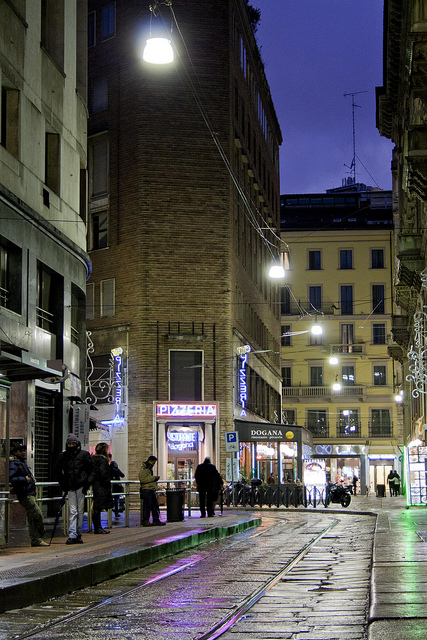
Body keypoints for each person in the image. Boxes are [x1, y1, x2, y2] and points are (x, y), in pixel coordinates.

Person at [54, 433, 94, 544]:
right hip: (73, 486)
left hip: (78, 486)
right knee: (75, 511)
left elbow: (92, 470)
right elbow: (57, 471)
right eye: (69, 443)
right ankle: (74, 534)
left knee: (77, 511)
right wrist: (63, 483)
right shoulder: (78, 455)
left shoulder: (69, 456)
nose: (71, 445)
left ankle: (76, 534)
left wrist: (87, 483)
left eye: (73, 443)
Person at [9, 443, 48, 547]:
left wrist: (31, 480)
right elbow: (11, 478)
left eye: (24, 450)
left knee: (31, 516)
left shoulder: (21, 462)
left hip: (29, 491)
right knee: (37, 513)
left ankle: (35, 539)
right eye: (21, 450)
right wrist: (25, 480)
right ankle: (40, 532)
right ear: (15, 452)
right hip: (24, 493)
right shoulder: (14, 463)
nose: (23, 452)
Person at [91, 442, 113, 534]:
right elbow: (103, 474)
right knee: (98, 507)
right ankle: (98, 527)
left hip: (95, 485)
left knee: (96, 507)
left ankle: (97, 527)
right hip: (101, 486)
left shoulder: (93, 459)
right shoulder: (102, 460)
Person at [138, 455, 166, 526]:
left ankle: (156, 520)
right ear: (150, 461)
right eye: (153, 462)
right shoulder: (145, 468)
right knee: (147, 506)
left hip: (151, 489)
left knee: (154, 506)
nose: (154, 464)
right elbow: (143, 479)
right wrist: (154, 478)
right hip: (147, 489)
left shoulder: (148, 468)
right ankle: (146, 521)